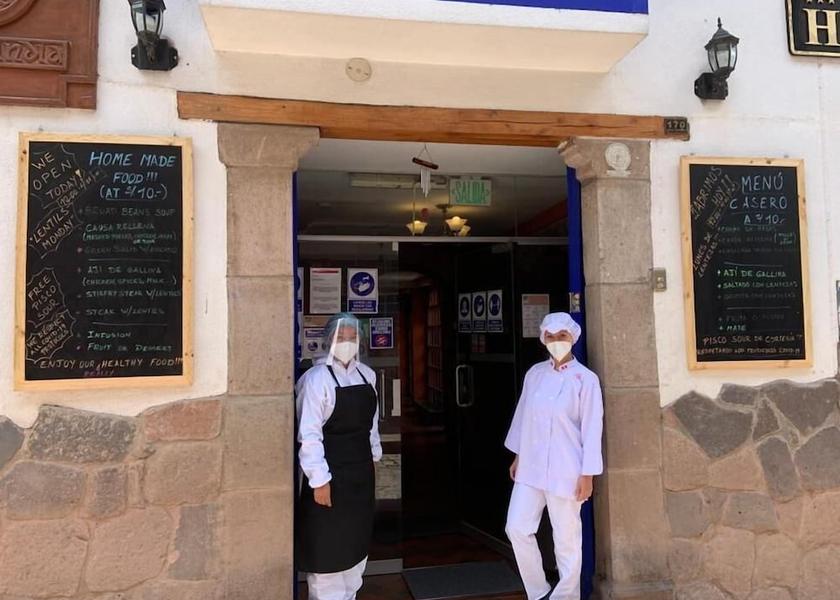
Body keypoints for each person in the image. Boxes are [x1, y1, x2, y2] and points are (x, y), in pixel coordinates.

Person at [504, 312, 604, 600]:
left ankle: (565, 598)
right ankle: (538, 593)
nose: (557, 341)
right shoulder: (534, 374)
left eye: (562, 336)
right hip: (531, 467)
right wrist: (519, 455)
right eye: (551, 336)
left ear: (572, 337)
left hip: (567, 469)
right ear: (543, 338)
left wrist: (588, 474)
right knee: (517, 528)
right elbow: (524, 415)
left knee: (567, 541)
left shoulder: (586, 380)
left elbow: (591, 428)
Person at [296, 312, 382, 600]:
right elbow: (309, 435)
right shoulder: (316, 379)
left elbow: (371, 428)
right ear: (329, 340)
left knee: (355, 549)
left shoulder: (367, 376)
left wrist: (374, 460)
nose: (347, 342)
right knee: (328, 553)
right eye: (340, 337)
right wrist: (319, 480)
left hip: (360, 477)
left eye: (352, 337)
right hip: (328, 479)